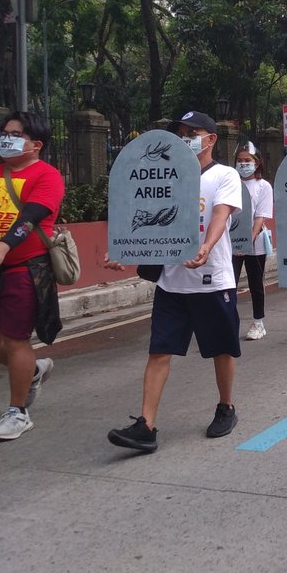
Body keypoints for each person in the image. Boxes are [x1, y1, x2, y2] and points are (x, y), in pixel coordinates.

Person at [106, 110, 242, 453]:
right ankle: (146, 425)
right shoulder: (162, 175)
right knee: (159, 351)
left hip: (213, 280)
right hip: (171, 282)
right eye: (180, 132)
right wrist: (122, 247)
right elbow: (145, 216)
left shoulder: (224, 175)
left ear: (211, 139)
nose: (185, 138)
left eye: (192, 132)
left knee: (221, 348)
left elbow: (220, 215)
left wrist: (207, 246)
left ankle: (226, 406)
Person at [0, 111, 65, 441]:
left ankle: (17, 412)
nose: (5, 137)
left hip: (25, 269)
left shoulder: (47, 176)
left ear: (36, 144)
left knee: (15, 339)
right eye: (4, 131)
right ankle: (32, 370)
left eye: (15, 133)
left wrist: (3, 247)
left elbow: (30, 218)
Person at [233, 141, 273, 341]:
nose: (243, 164)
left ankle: (258, 322)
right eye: (239, 161)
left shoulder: (263, 186)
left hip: (254, 245)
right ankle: (227, 323)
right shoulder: (230, 183)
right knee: (227, 284)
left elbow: (260, 217)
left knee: (255, 283)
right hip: (230, 244)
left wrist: (246, 242)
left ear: (256, 163)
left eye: (247, 160)